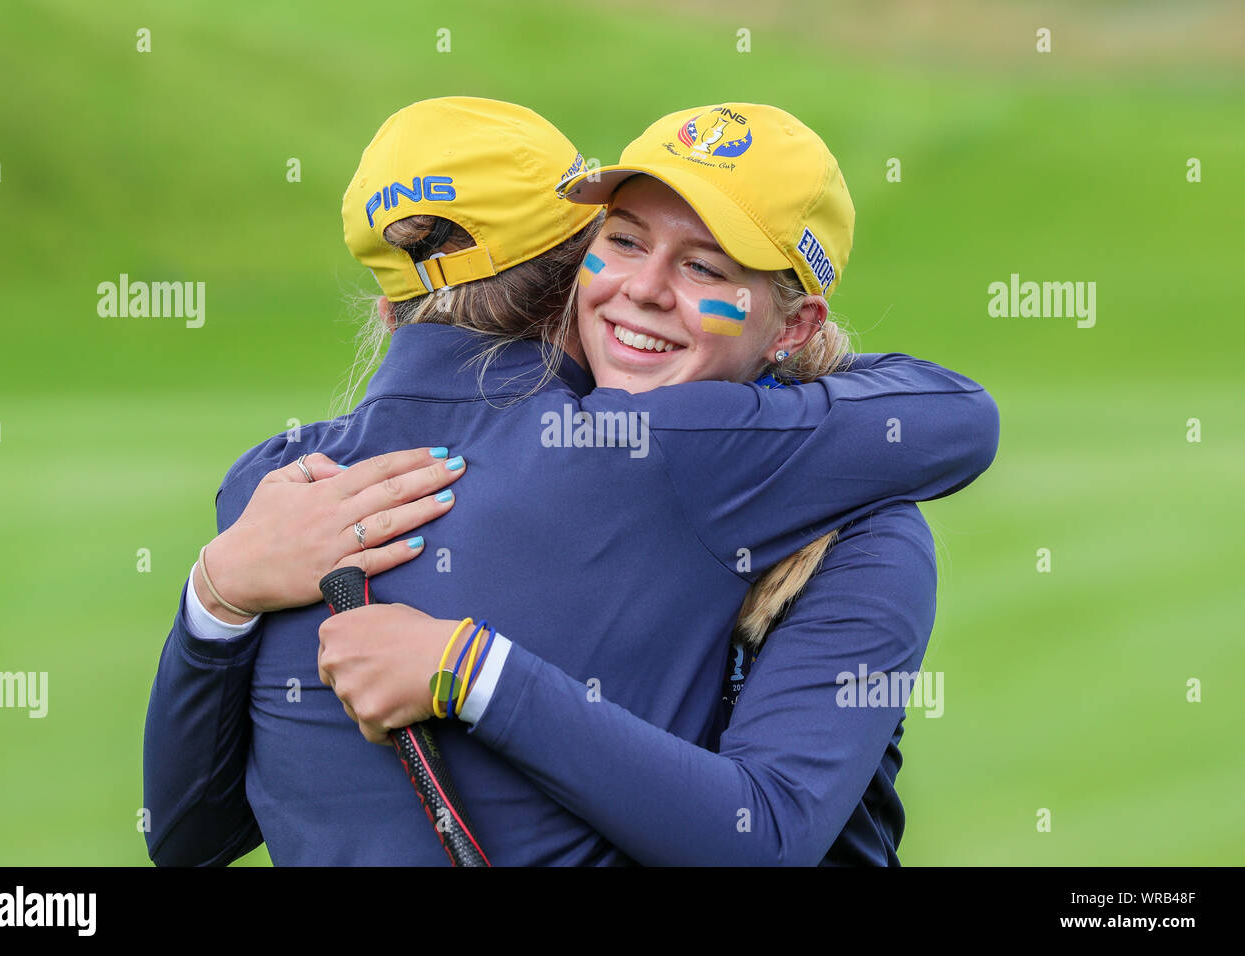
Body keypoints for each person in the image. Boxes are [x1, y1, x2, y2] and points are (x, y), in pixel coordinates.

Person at [143, 97, 998, 866]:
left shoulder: (270, 491)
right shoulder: (662, 451)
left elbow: (185, 835)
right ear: (570, 277)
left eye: (706, 267)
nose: (643, 290)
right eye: (622, 242)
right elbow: (961, 415)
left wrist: (214, 597)